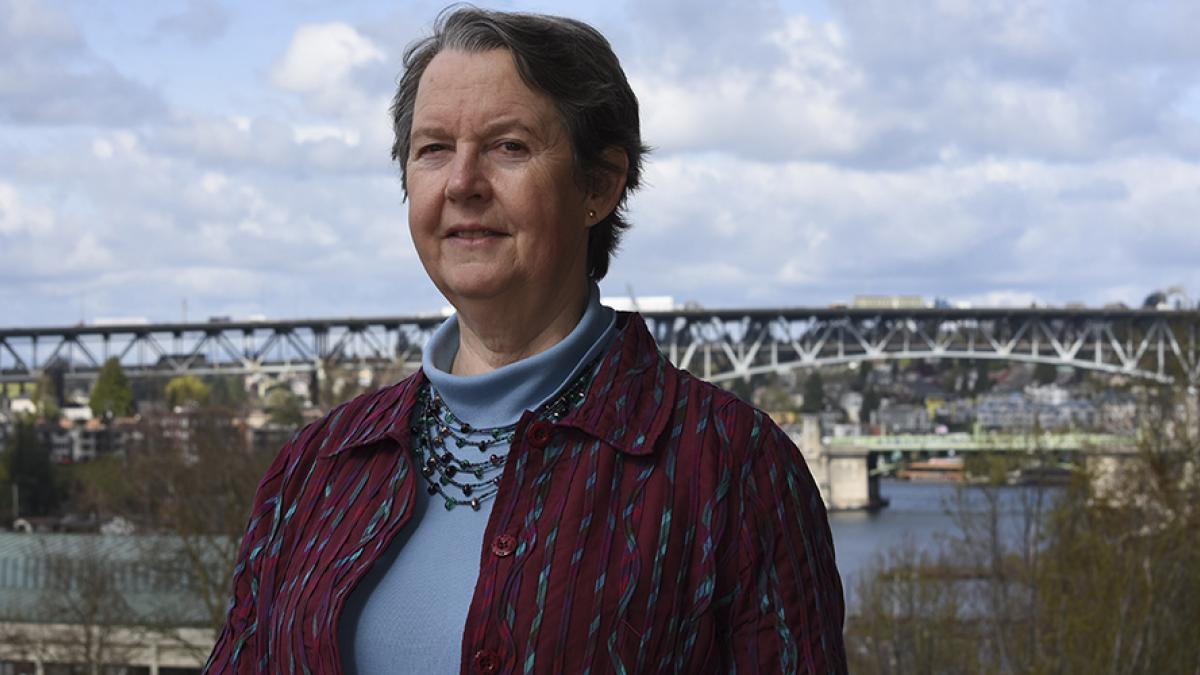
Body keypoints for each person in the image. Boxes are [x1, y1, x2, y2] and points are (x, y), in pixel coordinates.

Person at [205, 7, 845, 674]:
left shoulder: (733, 469)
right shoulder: (317, 467)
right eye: (433, 149)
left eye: (508, 146)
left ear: (598, 184)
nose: (461, 183)